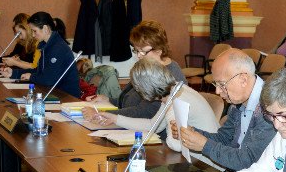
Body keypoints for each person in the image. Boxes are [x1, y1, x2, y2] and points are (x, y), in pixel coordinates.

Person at [81, 58, 219, 152]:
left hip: (203, 162)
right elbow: (153, 125)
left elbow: (175, 145)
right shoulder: (174, 89)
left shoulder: (175, 101)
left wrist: (171, 133)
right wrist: (115, 119)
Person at [171, 48, 277, 171]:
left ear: (243, 79)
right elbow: (224, 139)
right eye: (216, 84)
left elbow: (248, 161)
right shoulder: (236, 103)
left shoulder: (270, 108)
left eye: (222, 84)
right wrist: (192, 133)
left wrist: (204, 145)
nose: (217, 91)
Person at [0, 11, 80, 97]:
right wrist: (13, 73)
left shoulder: (58, 48)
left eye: (34, 31)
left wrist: (31, 77)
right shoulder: (46, 46)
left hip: (67, 96)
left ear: (45, 29)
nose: (33, 35)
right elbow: (39, 71)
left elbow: (49, 79)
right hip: (54, 92)